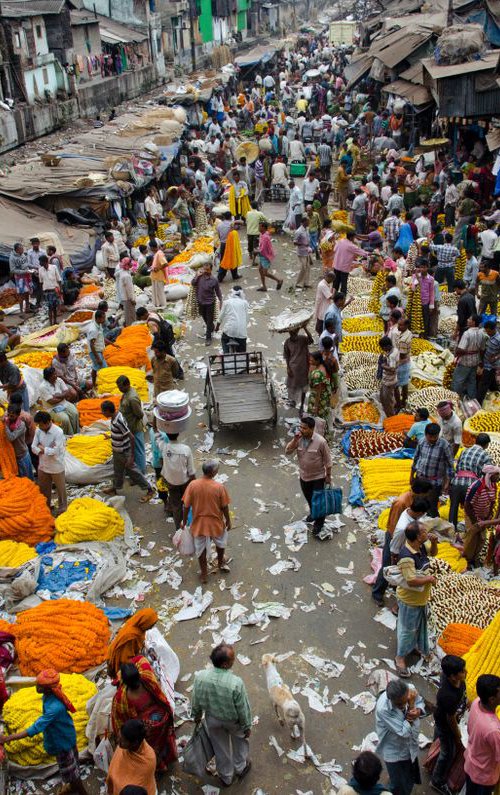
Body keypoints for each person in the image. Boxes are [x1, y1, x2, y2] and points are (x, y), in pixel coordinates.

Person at [0, 669, 88, 795]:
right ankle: (73, 787)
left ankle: (81, 791)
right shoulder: (50, 696)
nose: (36, 687)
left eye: (39, 685)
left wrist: (7, 738)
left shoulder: (54, 708)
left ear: (47, 689)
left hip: (63, 742)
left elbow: (35, 728)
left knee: (72, 773)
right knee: (72, 768)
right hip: (64, 735)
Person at [191, 643, 252, 787]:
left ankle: (226, 777)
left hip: (212, 719)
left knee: (220, 748)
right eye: (232, 658)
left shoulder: (200, 677)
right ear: (225, 664)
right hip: (233, 722)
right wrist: (247, 726)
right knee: (240, 743)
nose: (234, 660)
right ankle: (241, 767)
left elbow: (196, 700)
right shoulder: (236, 683)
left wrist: (197, 716)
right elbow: (243, 708)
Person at [371, 478, 432, 607]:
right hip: (395, 537)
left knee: (398, 568)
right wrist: (395, 551)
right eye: (426, 494)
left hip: (404, 538)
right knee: (387, 565)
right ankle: (377, 593)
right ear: (420, 492)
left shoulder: (414, 501)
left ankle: (394, 587)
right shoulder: (401, 502)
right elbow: (394, 525)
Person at [111, 657, 177, 771]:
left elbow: (119, 722)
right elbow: (140, 659)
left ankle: (157, 764)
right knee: (162, 742)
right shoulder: (147, 677)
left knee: (146, 747)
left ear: (124, 682)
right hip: (161, 719)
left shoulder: (121, 698)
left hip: (145, 728)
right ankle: (165, 758)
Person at [395, 522, 438, 676]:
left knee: (416, 627)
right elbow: (411, 580)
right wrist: (429, 579)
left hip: (420, 599)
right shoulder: (407, 556)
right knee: (407, 630)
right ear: (418, 537)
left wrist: (433, 543)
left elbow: (433, 554)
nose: (427, 533)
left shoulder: (420, 547)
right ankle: (400, 658)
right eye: (424, 532)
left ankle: (412, 646)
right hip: (410, 601)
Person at [181, 460, 231, 583]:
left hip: (199, 524)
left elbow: (186, 506)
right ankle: (220, 563)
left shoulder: (193, 485)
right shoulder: (219, 487)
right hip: (215, 523)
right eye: (217, 469)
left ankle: (204, 574)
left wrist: (184, 521)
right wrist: (228, 520)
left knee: (200, 549)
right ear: (213, 472)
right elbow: (224, 506)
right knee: (220, 543)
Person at [375, 678, 426, 795]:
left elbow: (420, 702)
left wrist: (418, 710)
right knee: (398, 785)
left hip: (410, 744)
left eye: (405, 701)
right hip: (394, 748)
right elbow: (403, 732)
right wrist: (412, 705)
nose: (403, 706)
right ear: (390, 700)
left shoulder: (410, 689)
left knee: (408, 776)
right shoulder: (383, 709)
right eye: (399, 704)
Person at [285, 415, 332, 537]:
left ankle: (319, 523)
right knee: (309, 498)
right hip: (304, 476)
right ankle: (313, 514)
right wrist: (295, 440)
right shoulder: (298, 439)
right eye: (300, 427)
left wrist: (328, 477)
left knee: (318, 501)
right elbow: (287, 452)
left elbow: (328, 461)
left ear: (312, 429)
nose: (301, 430)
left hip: (318, 477)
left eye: (304, 428)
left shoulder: (321, 441)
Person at [100, 400, 154, 503]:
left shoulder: (118, 420)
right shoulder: (114, 417)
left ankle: (149, 490)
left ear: (108, 411)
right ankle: (115, 488)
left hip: (124, 452)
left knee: (134, 472)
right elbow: (120, 433)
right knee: (118, 471)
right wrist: (111, 436)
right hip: (117, 451)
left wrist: (131, 456)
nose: (102, 413)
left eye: (103, 411)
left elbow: (131, 437)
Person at [431, 655, 467, 794]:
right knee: (448, 753)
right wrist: (457, 736)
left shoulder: (456, 679)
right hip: (445, 724)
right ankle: (437, 781)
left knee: (439, 742)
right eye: (462, 671)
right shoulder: (447, 695)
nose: (466, 672)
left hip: (443, 716)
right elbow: (450, 719)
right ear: (452, 676)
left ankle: (433, 755)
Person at [464, 674, 500, 795]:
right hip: (484, 777)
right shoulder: (493, 730)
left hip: (471, 763)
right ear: (492, 699)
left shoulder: (476, 702)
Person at [449, 434, 492, 528]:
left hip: (456, 482)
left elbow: (457, 467)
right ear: (486, 444)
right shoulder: (486, 455)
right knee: (470, 510)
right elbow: (488, 473)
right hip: (471, 485)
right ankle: (470, 532)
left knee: (453, 508)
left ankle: (451, 531)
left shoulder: (464, 451)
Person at [411, 423, 454, 517]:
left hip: (435, 482)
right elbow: (416, 458)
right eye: (430, 436)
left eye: (435, 436)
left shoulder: (444, 445)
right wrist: (412, 475)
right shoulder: (422, 442)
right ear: (425, 434)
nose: (433, 439)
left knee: (432, 505)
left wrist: (447, 482)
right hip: (421, 478)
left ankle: (433, 521)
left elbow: (450, 465)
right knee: (418, 503)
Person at [106, 719, 156, 795]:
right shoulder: (124, 746)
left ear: (134, 743)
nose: (117, 741)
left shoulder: (148, 760)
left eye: (122, 740)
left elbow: (136, 789)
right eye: (119, 737)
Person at [462, 465, 500, 565]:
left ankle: (475, 559)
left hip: (484, 518)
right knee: (472, 539)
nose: (498, 477)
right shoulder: (476, 486)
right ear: (490, 475)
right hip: (473, 516)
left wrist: (488, 517)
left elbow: (492, 502)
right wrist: (475, 521)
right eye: (497, 475)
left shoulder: (493, 486)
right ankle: (467, 560)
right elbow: (467, 505)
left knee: (482, 539)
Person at [107, 608, 159, 679]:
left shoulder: (137, 624)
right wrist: (141, 663)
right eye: (151, 624)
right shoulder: (131, 636)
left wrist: (148, 649)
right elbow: (124, 659)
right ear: (145, 622)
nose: (152, 627)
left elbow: (140, 641)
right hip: (119, 659)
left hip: (127, 653)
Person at [32, 410, 67, 513]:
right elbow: (33, 447)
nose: (39, 426)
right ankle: (46, 508)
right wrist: (41, 450)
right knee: (44, 490)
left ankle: (63, 509)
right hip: (43, 465)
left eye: (40, 424)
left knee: (61, 490)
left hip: (56, 466)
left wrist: (43, 449)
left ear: (48, 422)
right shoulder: (38, 430)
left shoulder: (58, 432)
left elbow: (56, 451)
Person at [116, 376, 146, 474]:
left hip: (134, 427)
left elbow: (139, 414)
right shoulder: (126, 393)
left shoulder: (132, 398)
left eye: (120, 387)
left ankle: (141, 473)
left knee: (138, 451)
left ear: (127, 385)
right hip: (129, 426)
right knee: (134, 450)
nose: (119, 389)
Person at [452, 315, 486, 400]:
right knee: (472, 381)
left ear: (473, 322)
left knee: (458, 380)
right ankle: (472, 400)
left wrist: (456, 353)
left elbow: (461, 349)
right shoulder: (482, 333)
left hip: (465, 361)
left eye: (469, 319)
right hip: (475, 360)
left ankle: (454, 399)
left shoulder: (467, 333)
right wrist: (481, 361)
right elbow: (482, 349)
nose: (467, 320)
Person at [39, 366, 80, 435]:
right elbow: (51, 401)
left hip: (64, 403)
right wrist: (63, 396)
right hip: (52, 408)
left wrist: (58, 396)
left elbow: (67, 392)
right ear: (49, 377)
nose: (56, 375)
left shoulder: (59, 380)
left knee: (75, 413)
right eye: (54, 374)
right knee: (65, 419)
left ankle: (76, 432)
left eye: (56, 373)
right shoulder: (43, 387)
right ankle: (69, 435)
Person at [192, 262, 223, 345]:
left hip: (210, 303)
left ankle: (208, 338)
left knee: (209, 320)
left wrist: (221, 301)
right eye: (204, 269)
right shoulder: (199, 277)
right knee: (204, 317)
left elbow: (218, 292)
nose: (205, 271)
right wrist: (197, 276)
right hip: (200, 302)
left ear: (211, 270)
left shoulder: (214, 280)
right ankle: (211, 327)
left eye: (207, 270)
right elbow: (193, 283)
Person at [283, 326, 313, 412]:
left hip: (304, 367)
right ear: (289, 333)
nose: (293, 334)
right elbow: (287, 356)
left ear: (297, 331)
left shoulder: (302, 339)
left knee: (304, 386)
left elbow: (311, 340)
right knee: (292, 386)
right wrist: (288, 368)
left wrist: (305, 328)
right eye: (291, 333)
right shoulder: (287, 342)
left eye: (294, 332)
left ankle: (302, 406)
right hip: (293, 368)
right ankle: (293, 401)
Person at [3, 402, 33, 479]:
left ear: (18, 415)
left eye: (12, 416)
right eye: (8, 415)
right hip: (13, 456)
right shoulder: (7, 419)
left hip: (22, 456)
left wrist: (5, 425)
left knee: (26, 479)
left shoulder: (21, 425)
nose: (9, 417)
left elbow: (11, 437)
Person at [216, 285, 249, 353]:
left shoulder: (226, 302)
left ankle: (226, 354)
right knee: (242, 353)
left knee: (224, 339)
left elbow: (220, 317)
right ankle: (242, 357)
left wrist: (217, 327)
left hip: (229, 330)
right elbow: (247, 318)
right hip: (241, 332)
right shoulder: (244, 303)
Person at [478, 320, 500, 404]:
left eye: (489, 331)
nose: (488, 332)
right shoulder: (488, 336)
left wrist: (496, 357)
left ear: (493, 329)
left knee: (484, 384)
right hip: (486, 362)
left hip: (491, 365)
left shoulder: (498, 339)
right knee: (492, 384)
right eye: (486, 331)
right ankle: (497, 394)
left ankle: (478, 402)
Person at [257, 221, 283, 291]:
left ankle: (278, 280)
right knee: (260, 270)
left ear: (263, 227)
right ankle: (264, 286)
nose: (258, 227)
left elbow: (263, 249)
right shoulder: (262, 234)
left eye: (260, 226)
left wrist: (257, 251)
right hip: (262, 256)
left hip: (265, 256)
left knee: (265, 273)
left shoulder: (265, 237)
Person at [377, 336, 399, 418]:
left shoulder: (392, 356)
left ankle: (391, 417)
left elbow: (393, 369)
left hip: (389, 381)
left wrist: (383, 365)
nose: (383, 350)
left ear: (387, 346)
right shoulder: (394, 350)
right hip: (386, 380)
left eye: (383, 348)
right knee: (383, 397)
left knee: (387, 401)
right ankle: (388, 412)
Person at [9, 242, 32, 316]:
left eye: (22, 248)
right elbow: (12, 270)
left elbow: (26, 264)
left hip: (27, 276)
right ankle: (21, 311)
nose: (22, 250)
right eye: (21, 249)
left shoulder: (23, 255)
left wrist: (31, 269)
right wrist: (24, 271)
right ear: (17, 250)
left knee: (27, 292)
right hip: (19, 278)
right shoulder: (12, 258)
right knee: (21, 294)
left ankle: (27, 308)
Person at [395, 317, 412, 412]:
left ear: (406, 325)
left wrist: (394, 364)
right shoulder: (408, 333)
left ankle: (399, 404)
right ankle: (404, 401)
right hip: (407, 362)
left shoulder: (403, 340)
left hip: (402, 364)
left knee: (396, 385)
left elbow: (402, 355)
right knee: (405, 383)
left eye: (401, 325)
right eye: (398, 324)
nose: (399, 326)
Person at [38, 254, 61, 325]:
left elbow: (59, 279)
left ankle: (55, 321)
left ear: (45, 261)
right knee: (50, 308)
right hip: (46, 292)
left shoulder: (54, 267)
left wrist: (60, 290)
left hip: (54, 290)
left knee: (54, 307)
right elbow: (41, 282)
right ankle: (51, 323)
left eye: (40, 262)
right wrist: (42, 293)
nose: (39, 263)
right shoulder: (40, 270)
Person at [87, 309, 108, 387]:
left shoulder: (98, 325)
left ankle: (94, 384)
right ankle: (103, 385)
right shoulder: (93, 329)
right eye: (103, 318)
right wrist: (98, 358)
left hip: (98, 350)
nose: (104, 319)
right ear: (98, 318)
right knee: (104, 369)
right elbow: (92, 345)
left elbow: (101, 337)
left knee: (95, 367)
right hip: (95, 351)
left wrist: (112, 344)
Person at [313, 271, 334, 335]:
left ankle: (321, 335)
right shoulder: (323, 285)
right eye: (332, 280)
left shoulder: (324, 283)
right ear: (329, 277)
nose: (332, 281)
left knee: (321, 320)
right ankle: (321, 336)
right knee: (321, 321)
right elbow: (330, 297)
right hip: (323, 306)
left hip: (324, 304)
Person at [294, 216, 312, 290]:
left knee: (307, 267)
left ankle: (306, 283)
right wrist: (303, 244)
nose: (309, 222)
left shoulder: (306, 229)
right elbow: (295, 242)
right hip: (301, 252)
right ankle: (298, 283)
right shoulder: (299, 231)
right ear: (304, 222)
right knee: (303, 268)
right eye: (308, 221)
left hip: (307, 251)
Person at [149, 242, 168, 309]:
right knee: (156, 291)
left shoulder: (159, 254)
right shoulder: (157, 253)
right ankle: (158, 304)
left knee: (160, 291)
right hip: (155, 275)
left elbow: (165, 264)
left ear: (152, 248)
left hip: (159, 275)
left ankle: (163, 305)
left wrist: (158, 268)